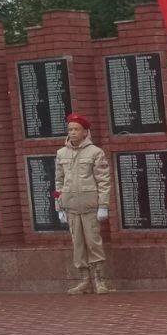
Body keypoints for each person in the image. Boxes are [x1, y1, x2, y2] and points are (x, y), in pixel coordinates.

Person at [55, 114, 112, 295]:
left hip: (89, 206)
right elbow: (59, 182)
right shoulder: (61, 153)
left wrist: (103, 205)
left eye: (76, 129)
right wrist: (59, 206)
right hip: (71, 206)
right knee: (77, 244)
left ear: (85, 132)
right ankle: (84, 280)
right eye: (70, 129)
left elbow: (103, 180)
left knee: (93, 242)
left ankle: (100, 280)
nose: (72, 132)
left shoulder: (95, 152)